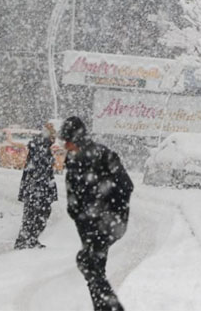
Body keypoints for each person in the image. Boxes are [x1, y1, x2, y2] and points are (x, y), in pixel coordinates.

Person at [61, 116, 133, 311]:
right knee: (91, 266)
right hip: (87, 224)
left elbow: (126, 185)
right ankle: (105, 307)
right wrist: (77, 212)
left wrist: (105, 211)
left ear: (76, 139)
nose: (65, 146)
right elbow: (73, 192)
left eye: (67, 141)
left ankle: (110, 308)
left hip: (107, 222)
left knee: (89, 263)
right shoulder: (73, 159)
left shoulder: (102, 155)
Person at [14, 120, 58, 249]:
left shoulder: (41, 145)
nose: (54, 140)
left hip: (36, 187)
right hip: (38, 187)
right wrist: (43, 186)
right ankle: (26, 240)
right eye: (53, 136)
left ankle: (27, 239)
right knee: (37, 214)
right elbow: (40, 169)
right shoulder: (41, 146)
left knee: (33, 214)